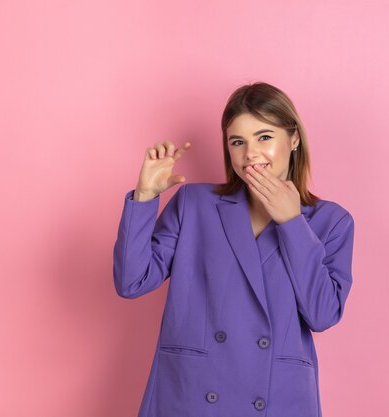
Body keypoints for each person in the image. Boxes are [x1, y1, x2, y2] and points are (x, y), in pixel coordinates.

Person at [112, 81, 355, 417]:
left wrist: (292, 223)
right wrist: (145, 197)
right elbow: (131, 281)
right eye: (237, 141)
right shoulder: (195, 205)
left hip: (277, 399)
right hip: (191, 394)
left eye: (264, 137)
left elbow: (323, 314)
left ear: (294, 138)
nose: (250, 153)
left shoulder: (331, 221)